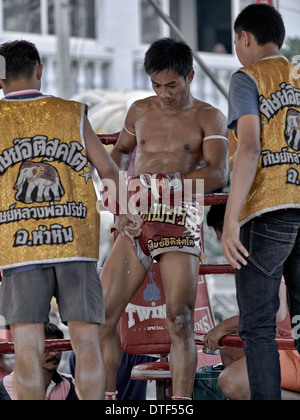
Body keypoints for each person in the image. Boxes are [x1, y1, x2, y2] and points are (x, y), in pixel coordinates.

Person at [0, 40, 142, 400]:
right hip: (75, 245)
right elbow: (108, 169)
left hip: (19, 248)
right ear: (39, 70)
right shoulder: (71, 112)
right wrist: (125, 213)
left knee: (28, 351)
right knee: (86, 342)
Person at [100, 38, 229, 400]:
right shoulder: (139, 110)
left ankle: (181, 404)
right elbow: (119, 155)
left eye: (172, 84)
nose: (164, 93)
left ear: (189, 76)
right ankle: (109, 400)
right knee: (102, 315)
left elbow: (218, 172)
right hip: (137, 213)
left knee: (180, 317)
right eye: (157, 84)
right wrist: (117, 196)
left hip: (179, 212)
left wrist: (166, 188)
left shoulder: (209, 116)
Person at [222, 4, 300, 400]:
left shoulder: (246, 78)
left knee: (258, 329)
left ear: (245, 38)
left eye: (237, 42)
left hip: (268, 212)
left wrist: (231, 219)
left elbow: (249, 147)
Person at [0, 323, 78, 400]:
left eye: (58, 348)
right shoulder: (7, 384)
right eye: (47, 348)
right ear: (30, 349)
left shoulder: (69, 383)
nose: (54, 353)